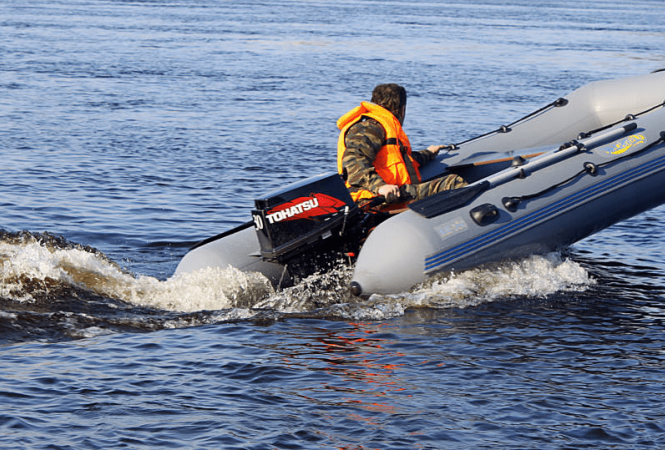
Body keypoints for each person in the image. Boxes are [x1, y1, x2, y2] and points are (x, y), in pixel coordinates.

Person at [337, 83, 465, 206]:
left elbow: (401, 162)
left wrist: (428, 153)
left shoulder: (381, 127)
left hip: (389, 194)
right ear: (402, 109)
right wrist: (380, 186)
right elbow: (353, 162)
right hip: (374, 198)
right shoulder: (370, 128)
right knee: (453, 182)